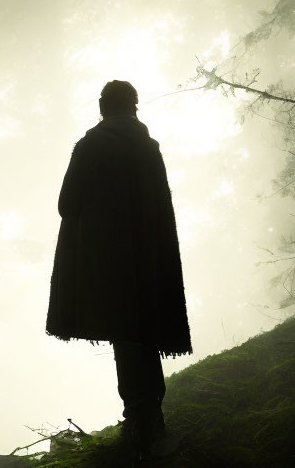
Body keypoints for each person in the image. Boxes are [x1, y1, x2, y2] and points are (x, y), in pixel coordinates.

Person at [46, 80, 192, 461]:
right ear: (135, 107)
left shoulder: (91, 145)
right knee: (144, 334)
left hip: (107, 264)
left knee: (126, 338)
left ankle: (140, 429)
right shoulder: (149, 148)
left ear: (102, 106)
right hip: (149, 258)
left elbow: (66, 204)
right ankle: (152, 422)